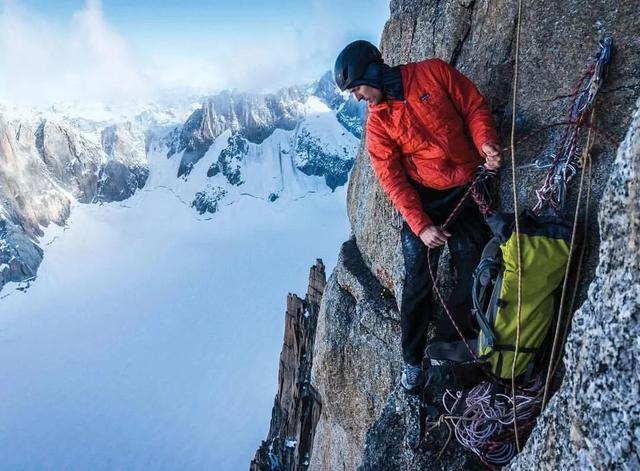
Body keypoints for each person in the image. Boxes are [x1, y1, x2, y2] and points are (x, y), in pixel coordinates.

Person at [334, 40, 503, 391]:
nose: (357, 97)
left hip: (466, 186)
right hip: (425, 201)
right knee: (417, 284)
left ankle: (451, 340)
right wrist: (421, 224)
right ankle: (411, 361)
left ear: (371, 72)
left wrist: (485, 141)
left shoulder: (432, 73)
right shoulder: (378, 126)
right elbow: (391, 178)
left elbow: (472, 106)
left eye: (357, 88)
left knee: (477, 267)